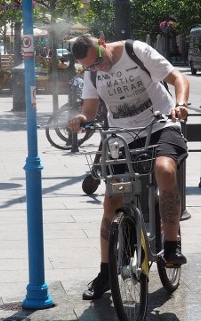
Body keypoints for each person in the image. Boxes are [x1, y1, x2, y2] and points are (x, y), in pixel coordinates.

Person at [67, 34, 190, 301]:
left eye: (98, 61)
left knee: (165, 169)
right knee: (112, 201)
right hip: (122, 136)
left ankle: (171, 245)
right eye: (90, 67)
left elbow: (178, 78)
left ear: (101, 43)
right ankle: (105, 272)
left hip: (160, 125)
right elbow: (90, 109)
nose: (98, 68)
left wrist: (180, 105)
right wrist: (80, 118)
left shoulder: (137, 51)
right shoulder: (92, 73)